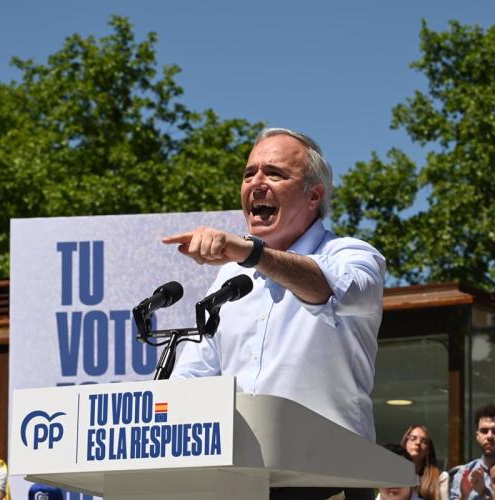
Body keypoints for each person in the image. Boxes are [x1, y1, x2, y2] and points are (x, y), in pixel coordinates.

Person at [164, 128, 386, 499]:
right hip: (239, 481)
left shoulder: (355, 256)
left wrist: (251, 253)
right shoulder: (230, 276)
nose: (256, 183)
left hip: (329, 478)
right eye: (249, 174)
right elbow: (195, 373)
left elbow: (328, 289)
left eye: (274, 173)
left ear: (314, 195)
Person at [400, 426, 449, 499]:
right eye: (413, 438)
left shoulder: (441, 477)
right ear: (405, 443)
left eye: (424, 441)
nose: (418, 442)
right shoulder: (393, 473)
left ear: (428, 450)